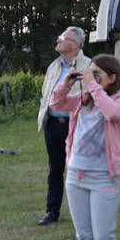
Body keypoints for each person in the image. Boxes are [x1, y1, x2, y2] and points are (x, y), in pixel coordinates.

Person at [49, 54, 120, 240]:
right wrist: (66, 82)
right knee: (84, 236)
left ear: (112, 78)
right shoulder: (82, 100)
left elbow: (112, 113)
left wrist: (92, 84)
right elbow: (55, 103)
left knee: (103, 237)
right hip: (75, 174)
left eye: (98, 74)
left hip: (103, 177)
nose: (91, 77)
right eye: (90, 72)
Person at [37, 26, 91, 226]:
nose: (58, 40)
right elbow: (47, 93)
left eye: (63, 38)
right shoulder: (54, 66)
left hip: (76, 125)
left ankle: (85, 212)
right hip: (53, 125)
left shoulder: (88, 66)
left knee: (79, 169)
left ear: (74, 44)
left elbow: (92, 97)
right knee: (55, 169)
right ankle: (52, 212)